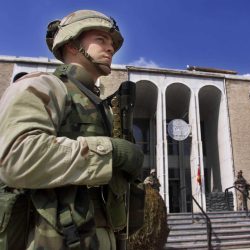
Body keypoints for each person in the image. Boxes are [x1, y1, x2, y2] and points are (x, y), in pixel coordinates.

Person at [0, 10, 144, 250]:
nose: (110, 49)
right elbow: (16, 157)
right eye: (100, 40)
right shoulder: (43, 84)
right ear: (72, 44)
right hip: (51, 237)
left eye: (112, 45)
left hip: (96, 235)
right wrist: (111, 152)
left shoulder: (99, 105)